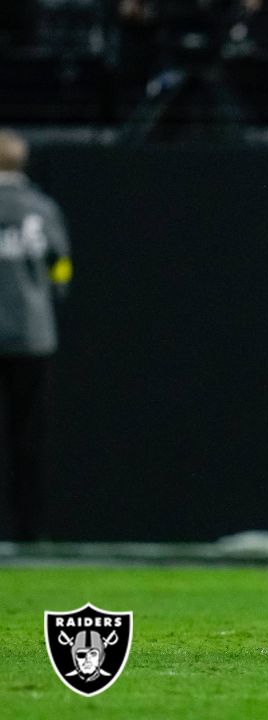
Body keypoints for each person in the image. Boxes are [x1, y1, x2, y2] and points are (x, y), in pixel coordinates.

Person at [0, 129, 72, 541]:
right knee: (26, 437)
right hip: (31, 336)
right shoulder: (39, 209)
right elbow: (60, 264)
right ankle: (29, 532)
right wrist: (49, 292)